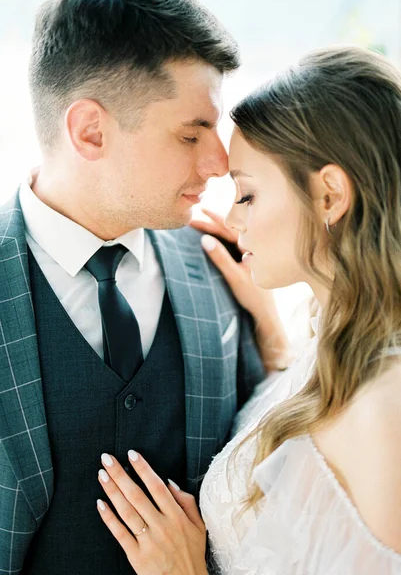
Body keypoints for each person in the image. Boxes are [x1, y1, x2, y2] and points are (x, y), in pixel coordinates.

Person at [0, 0, 290, 574]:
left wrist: (277, 345)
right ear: (90, 131)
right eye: (191, 133)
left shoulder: (231, 262)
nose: (218, 164)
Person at [95, 46, 401, 574]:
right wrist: (276, 342)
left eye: (248, 194)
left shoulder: (384, 409)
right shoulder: (330, 344)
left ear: (329, 196)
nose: (230, 217)